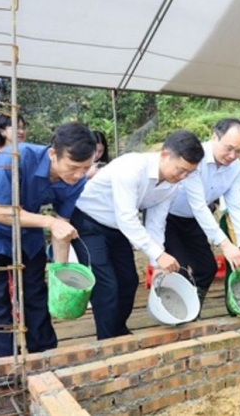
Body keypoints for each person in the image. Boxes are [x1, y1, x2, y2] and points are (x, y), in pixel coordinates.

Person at [71, 129, 203, 340]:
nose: (182, 177)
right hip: (89, 221)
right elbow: (127, 218)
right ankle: (108, 341)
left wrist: (156, 263)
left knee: (129, 280)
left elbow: (155, 223)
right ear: (165, 155)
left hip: (118, 228)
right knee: (106, 284)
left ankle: (118, 329)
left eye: (189, 173)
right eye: (180, 170)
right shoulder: (131, 167)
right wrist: (159, 255)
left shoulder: (172, 185)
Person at [0, 123, 96, 357]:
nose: (79, 175)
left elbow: (61, 226)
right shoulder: (16, 157)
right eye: (74, 168)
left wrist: (61, 274)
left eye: (85, 168)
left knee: (36, 292)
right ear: (54, 154)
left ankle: (44, 354)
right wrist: (50, 222)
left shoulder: (77, 180)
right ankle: (5, 360)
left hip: (27, 230)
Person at [165, 118, 240, 306]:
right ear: (214, 137)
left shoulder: (236, 168)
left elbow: (236, 206)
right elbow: (198, 205)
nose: (232, 156)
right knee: (178, 270)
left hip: (194, 219)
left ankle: (192, 308)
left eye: (239, 151)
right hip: (167, 216)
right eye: (228, 148)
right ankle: (176, 314)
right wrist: (225, 244)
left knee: (207, 268)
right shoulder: (195, 157)